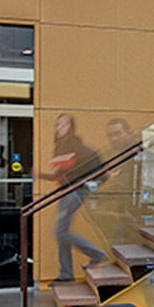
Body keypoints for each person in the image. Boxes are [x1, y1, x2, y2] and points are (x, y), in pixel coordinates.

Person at [41, 113, 109, 281]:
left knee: (60, 232)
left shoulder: (77, 147)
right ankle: (66, 274)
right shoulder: (61, 147)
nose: (59, 128)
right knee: (61, 233)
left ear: (71, 127)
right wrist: (40, 175)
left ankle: (96, 253)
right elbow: (61, 176)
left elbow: (90, 171)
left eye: (64, 124)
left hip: (75, 192)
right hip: (65, 192)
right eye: (58, 124)